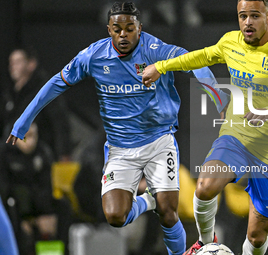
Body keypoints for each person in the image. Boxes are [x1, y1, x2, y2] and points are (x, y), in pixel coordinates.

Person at [6, 2, 228, 255]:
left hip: (159, 141)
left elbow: (197, 62)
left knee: (168, 213)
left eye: (129, 28)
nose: (123, 34)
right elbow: (56, 83)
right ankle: (149, 201)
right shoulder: (94, 55)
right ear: (109, 29)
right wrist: (23, 121)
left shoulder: (156, 50)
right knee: (115, 216)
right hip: (120, 148)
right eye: (117, 29)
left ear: (139, 28)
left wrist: (218, 97)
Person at [142, 0, 268, 254]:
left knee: (256, 237)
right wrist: (161, 66)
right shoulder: (230, 42)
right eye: (242, 16)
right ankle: (205, 242)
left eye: (254, 16)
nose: (247, 22)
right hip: (236, 138)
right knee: (204, 187)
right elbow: (199, 57)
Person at [1, 47, 71, 161]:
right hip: (11, 156)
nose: (13, 67)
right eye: (11, 63)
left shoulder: (46, 91)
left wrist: (64, 153)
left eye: (18, 62)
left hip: (41, 157)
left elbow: (60, 122)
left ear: (31, 64)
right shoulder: (9, 94)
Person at [0, 122, 59, 255]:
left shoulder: (43, 153)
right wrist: (25, 218)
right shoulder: (4, 154)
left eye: (33, 136)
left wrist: (45, 213)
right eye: (25, 137)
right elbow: (5, 190)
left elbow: (46, 186)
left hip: (38, 206)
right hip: (15, 207)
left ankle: (58, 251)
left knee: (63, 208)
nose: (29, 142)